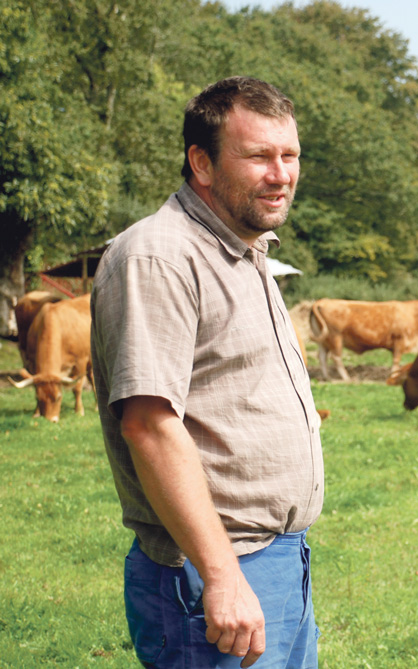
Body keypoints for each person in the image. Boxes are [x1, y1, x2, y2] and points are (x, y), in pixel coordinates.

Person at [91, 76, 324, 668]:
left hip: (278, 561)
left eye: (289, 155)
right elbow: (148, 425)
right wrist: (220, 575)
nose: (281, 173)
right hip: (212, 574)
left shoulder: (248, 249)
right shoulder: (160, 256)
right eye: (258, 157)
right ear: (201, 162)